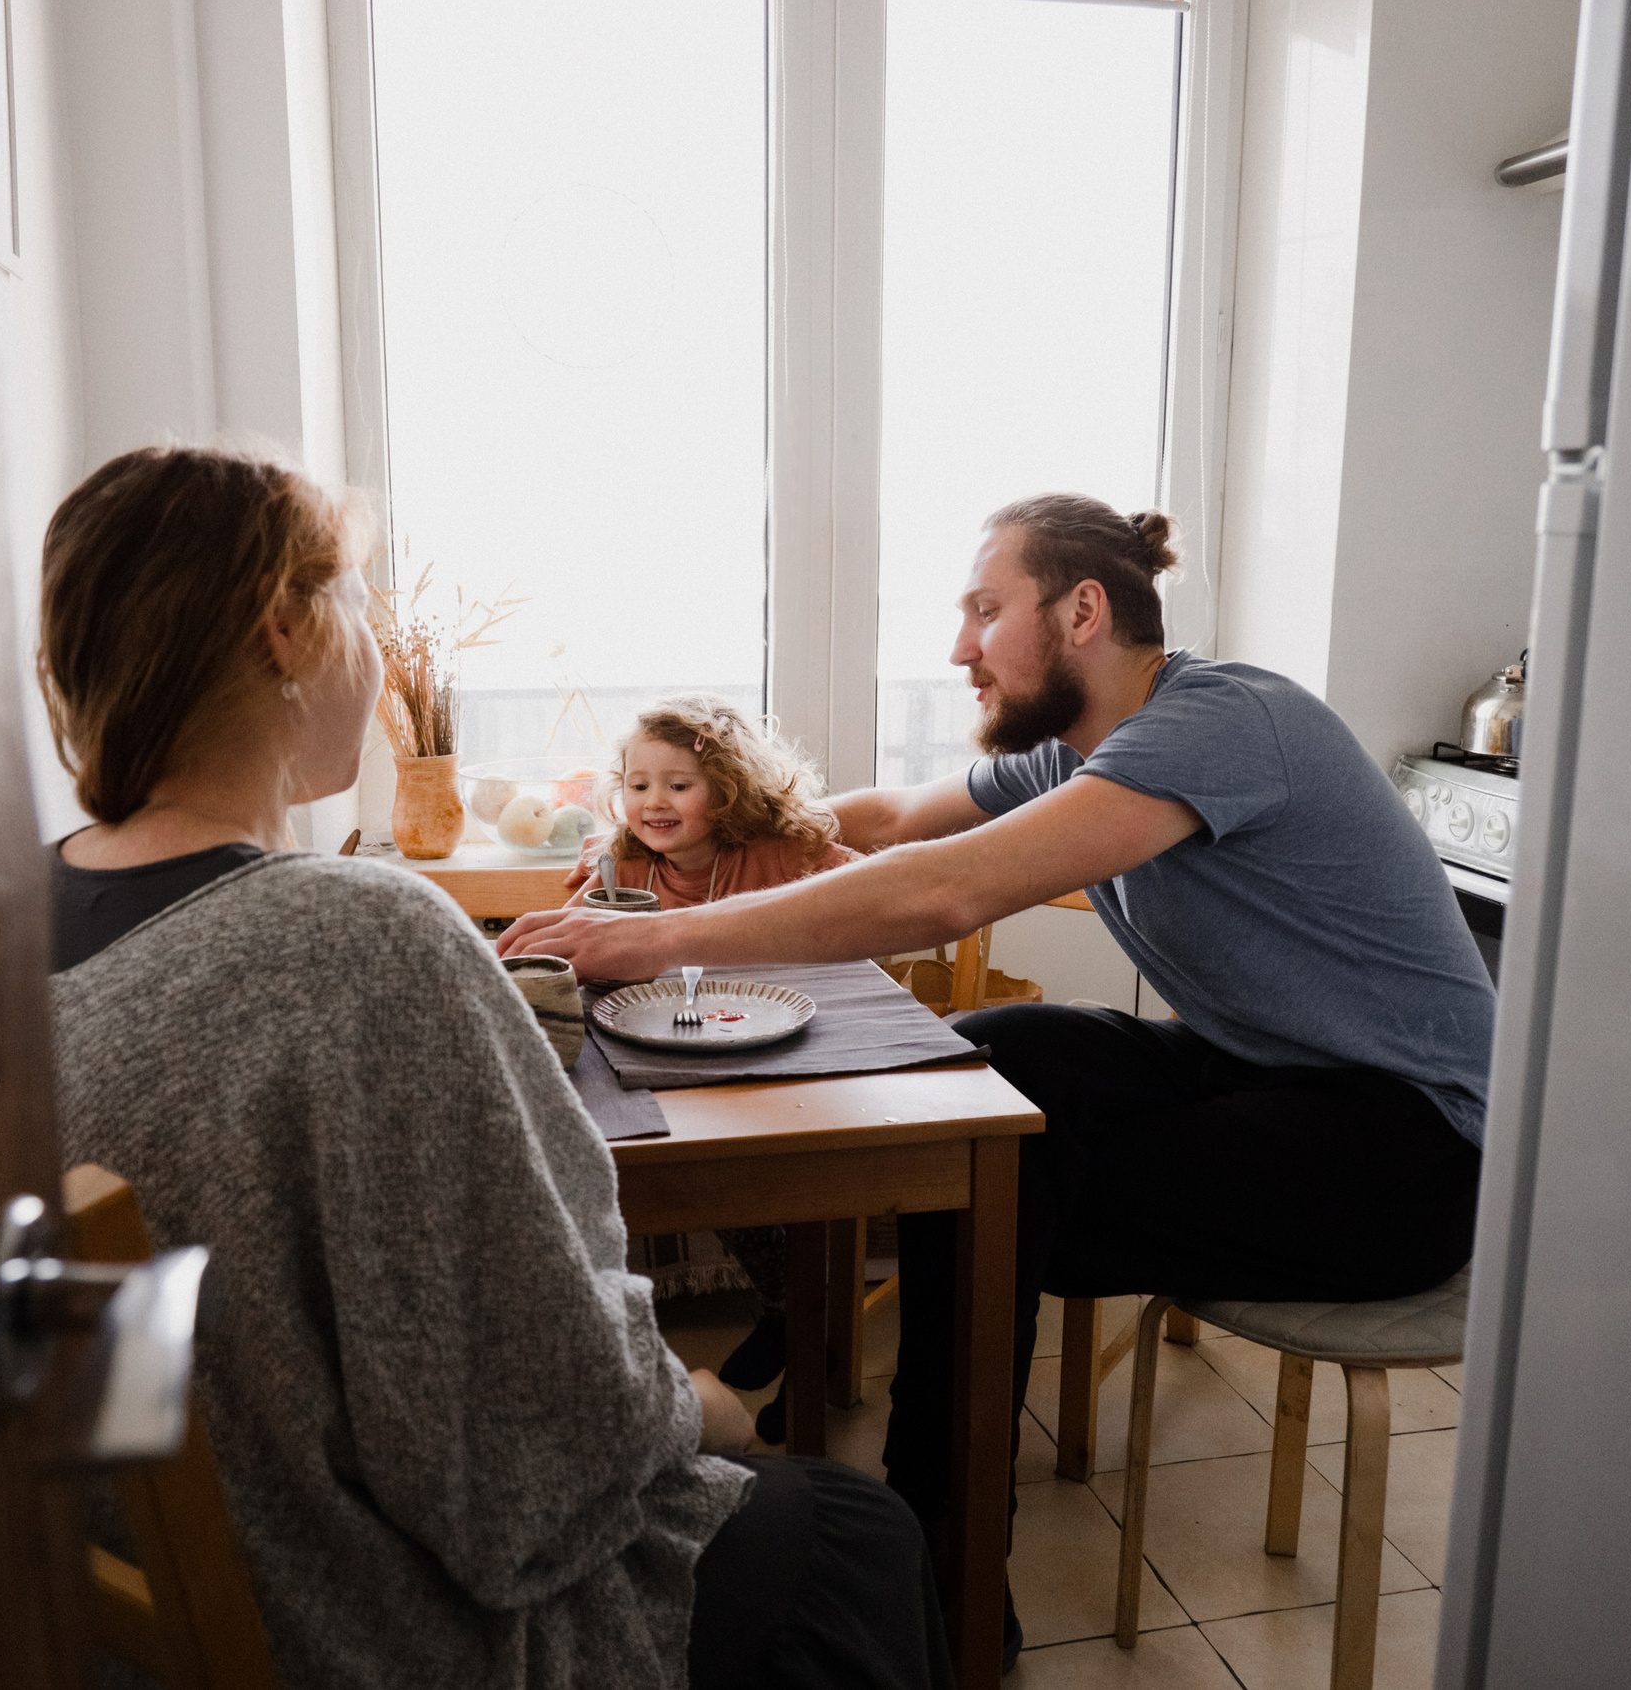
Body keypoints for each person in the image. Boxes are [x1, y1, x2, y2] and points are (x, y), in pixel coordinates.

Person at [502, 493, 1493, 1667]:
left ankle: (944, 1562)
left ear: (1080, 612)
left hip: (1411, 1146)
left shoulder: (1221, 722)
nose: (958, 648)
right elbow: (887, 825)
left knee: (990, 1190)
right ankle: (942, 1524)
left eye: (984, 611)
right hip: (1266, 1078)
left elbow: (944, 891)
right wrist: (727, 831)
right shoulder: (1080, 752)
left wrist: (658, 939)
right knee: (1008, 1062)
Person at [38, 444, 952, 1690]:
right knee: (855, 1533)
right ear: (283, 634)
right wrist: (698, 1405)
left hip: (131, 1621)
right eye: (355, 600)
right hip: (369, 1625)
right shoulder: (355, 937)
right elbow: (537, 1469)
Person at [575, 696, 863, 1429]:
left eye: (678, 784)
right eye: (639, 784)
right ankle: (787, 1313)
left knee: (781, 1168)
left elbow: (863, 895)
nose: (653, 801)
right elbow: (579, 942)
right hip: (678, 1059)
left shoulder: (774, 851)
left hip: (787, 1055)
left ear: (727, 789)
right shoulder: (625, 864)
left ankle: (804, 1334)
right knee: (708, 1167)